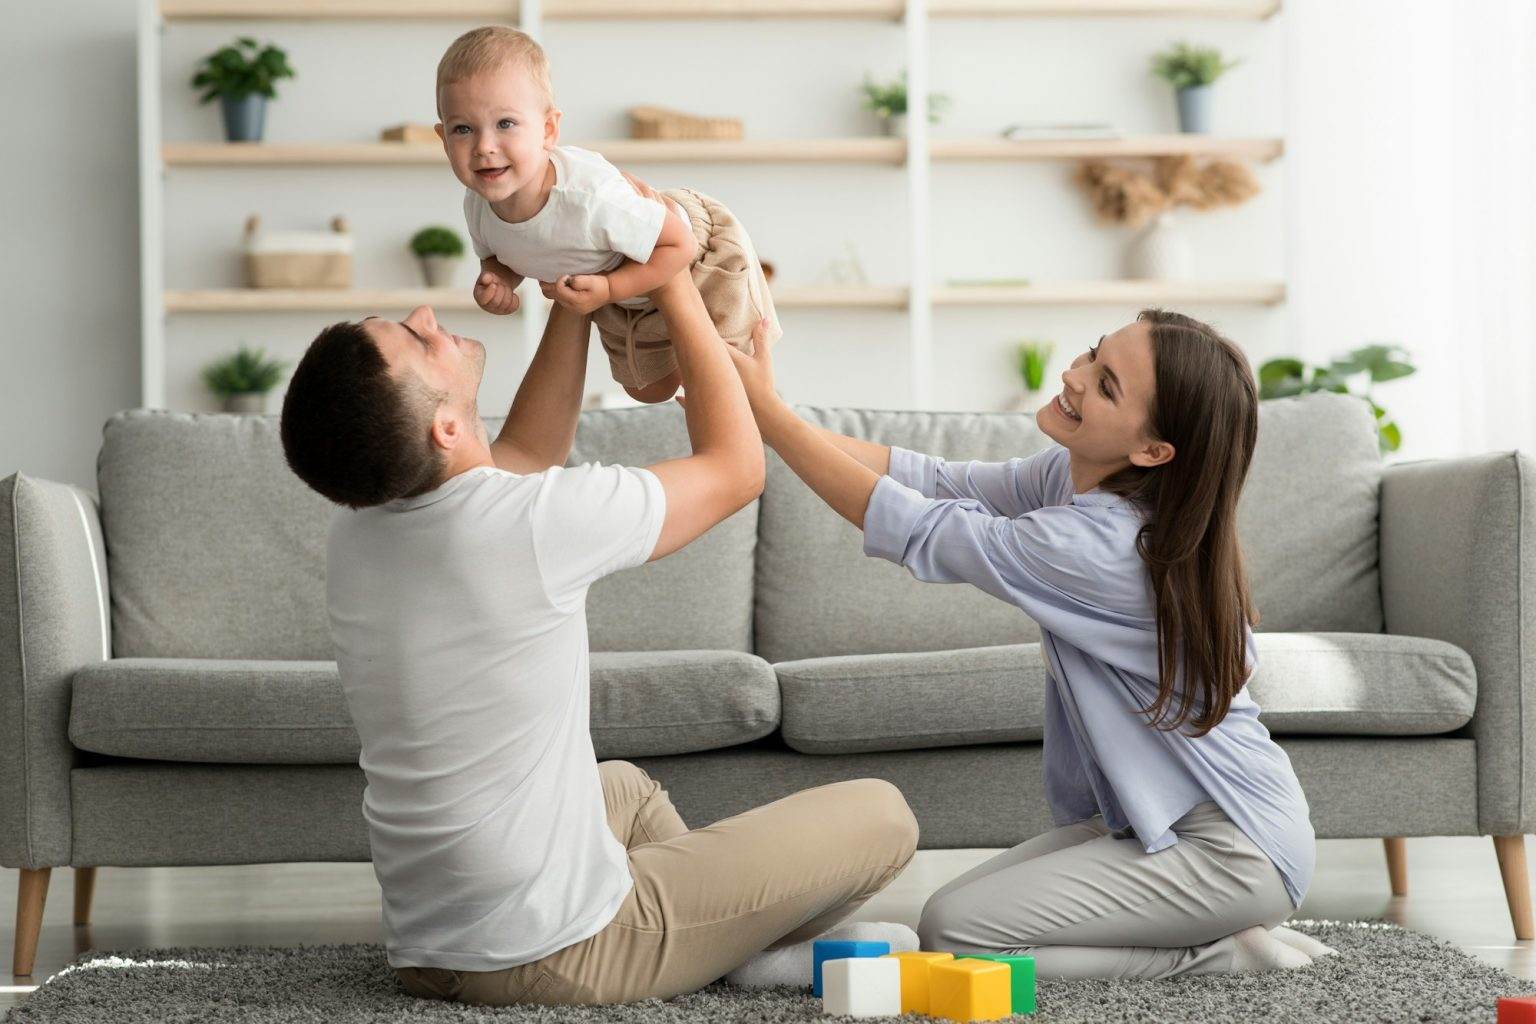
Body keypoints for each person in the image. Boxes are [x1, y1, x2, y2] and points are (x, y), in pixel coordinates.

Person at [277, 269, 916, 1006]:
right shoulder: (526, 527)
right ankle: (728, 951)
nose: (425, 314)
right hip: (555, 951)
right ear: (444, 430)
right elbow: (737, 471)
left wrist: (574, 307)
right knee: (884, 815)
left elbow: (524, 453)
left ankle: (730, 945)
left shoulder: (363, 529)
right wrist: (674, 282)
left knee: (627, 790)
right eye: (417, 340)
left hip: (431, 945)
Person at [721, 308, 1335, 980]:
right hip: (1151, 825)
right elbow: (935, 483)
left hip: (1232, 849)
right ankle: (1215, 936)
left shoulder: (1101, 548)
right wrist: (770, 413)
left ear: (1154, 451)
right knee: (952, 917)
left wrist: (769, 415)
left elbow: (916, 527)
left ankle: (1215, 954)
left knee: (956, 931)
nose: (1073, 377)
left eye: (1106, 386)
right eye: (1093, 356)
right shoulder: (1073, 479)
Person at [436, 25, 781, 404]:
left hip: (690, 252)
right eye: (463, 129)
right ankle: (681, 351)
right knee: (648, 390)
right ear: (443, 138)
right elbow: (502, 253)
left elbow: (678, 244)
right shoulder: (477, 203)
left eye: (505, 124)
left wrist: (611, 288)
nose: (484, 147)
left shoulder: (588, 196)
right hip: (616, 283)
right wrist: (498, 279)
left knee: (732, 385)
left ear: (548, 130)